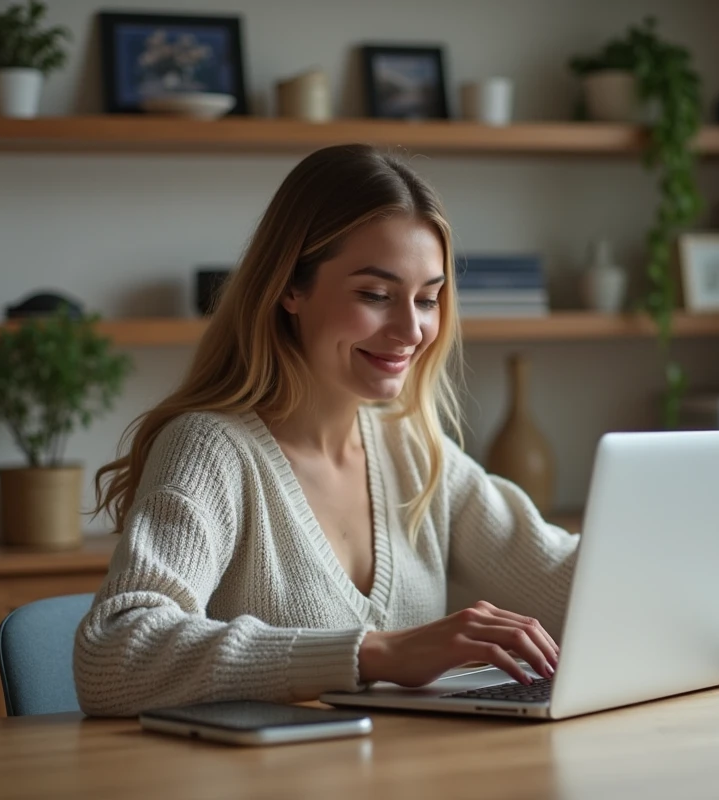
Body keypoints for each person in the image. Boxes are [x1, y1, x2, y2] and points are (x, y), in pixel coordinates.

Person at [74, 144, 579, 717]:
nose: (411, 330)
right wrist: (373, 653)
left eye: (428, 299)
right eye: (375, 295)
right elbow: (111, 657)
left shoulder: (412, 450)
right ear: (291, 287)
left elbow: (563, 576)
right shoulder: (211, 451)